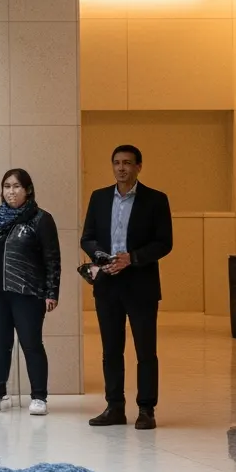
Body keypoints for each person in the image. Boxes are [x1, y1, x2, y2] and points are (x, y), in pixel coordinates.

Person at [81, 143, 173, 429]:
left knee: (145, 351)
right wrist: (102, 257)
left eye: (127, 163)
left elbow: (164, 243)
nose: (121, 168)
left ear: (138, 167)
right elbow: (87, 238)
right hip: (107, 284)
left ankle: (146, 409)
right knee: (111, 350)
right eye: (117, 163)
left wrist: (131, 258)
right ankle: (114, 407)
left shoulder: (156, 200)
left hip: (141, 285)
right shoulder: (99, 198)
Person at [0, 166, 60, 415]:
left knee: (31, 344)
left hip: (28, 292)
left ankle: (39, 397)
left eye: (17, 186)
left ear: (28, 190)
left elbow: (52, 258)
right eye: (7, 187)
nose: (11, 191)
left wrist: (52, 291)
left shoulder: (41, 219)